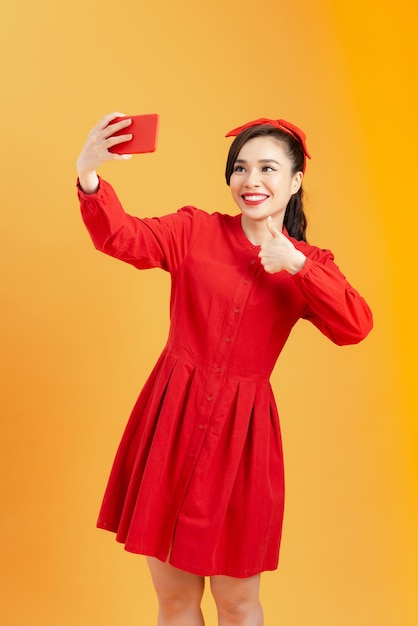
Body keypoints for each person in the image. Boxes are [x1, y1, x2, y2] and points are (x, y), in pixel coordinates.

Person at [76, 112, 373, 626]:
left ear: (296, 180)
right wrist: (89, 176)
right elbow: (122, 237)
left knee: (237, 603)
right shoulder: (195, 230)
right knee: (173, 601)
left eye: (267, 168)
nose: (251, 181)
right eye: (240, 168)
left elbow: (356, 326)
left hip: (243, 440)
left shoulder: (312, 263)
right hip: (169, 424)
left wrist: (299, 267)